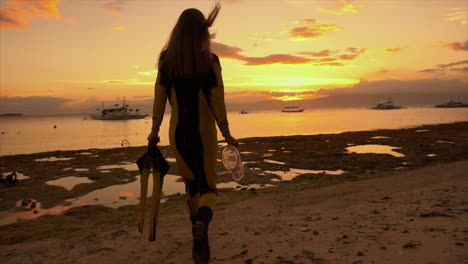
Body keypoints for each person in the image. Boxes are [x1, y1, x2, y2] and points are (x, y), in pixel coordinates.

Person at [147, 3, 238, 263]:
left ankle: (198, 234)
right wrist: (227, 132)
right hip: (204, 134)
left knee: (191, 186)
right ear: (202, 33)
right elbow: (217, 98)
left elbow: (159, 96)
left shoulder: (167, 59)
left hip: (178, 134)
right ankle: (202, 225)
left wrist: (153, 131)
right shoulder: (210, 61)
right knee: (209, 188)